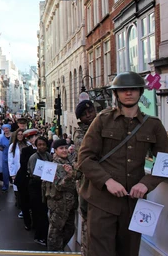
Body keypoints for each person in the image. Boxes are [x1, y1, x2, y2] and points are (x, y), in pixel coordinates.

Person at [77, 71, 168, 256]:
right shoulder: (102, 120)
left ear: (140, 92)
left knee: (129, 252)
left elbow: (165, 163)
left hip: (132, 204)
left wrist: (146, 184)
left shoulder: (153, 125)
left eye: (133, 89)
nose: (129, 93)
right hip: (101, 201)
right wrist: (107, 181)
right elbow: (85, 158)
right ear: (116, 94)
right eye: (123, 89)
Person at [44, 139, 78, 251]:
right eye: (61, 148)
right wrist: (68, 176)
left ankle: (59, 250)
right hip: (58, 205)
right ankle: (54, 252)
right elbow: (58, 185)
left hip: (70, 204)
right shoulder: (52, 165)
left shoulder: (69, 162)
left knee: (69, 229)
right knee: (55, 233)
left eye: (65, 147)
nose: (64, 150)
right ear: (55, 150)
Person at [73, 99, 97, 256]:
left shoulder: (101, 125)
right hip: (87, 180)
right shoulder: (81, 134)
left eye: (91, 111)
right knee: (88, 219)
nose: (89, 115)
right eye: (84, 114)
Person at [27, 136, 52, 246]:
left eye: (43, 144)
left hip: (45, 186)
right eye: (39, 145)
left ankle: (43, 235)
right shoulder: (34, 158)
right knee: (40, 213)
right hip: (36, 187)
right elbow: (35, 173)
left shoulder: (48, 156)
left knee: (44, 212)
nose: (42, 146)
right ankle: (39, 236)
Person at [14, 129, 39, 230]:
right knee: (25, 203)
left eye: (34, 137)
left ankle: (36, 223)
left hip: (37, 181)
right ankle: (27, 223)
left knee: (36, 204)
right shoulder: (26, 150)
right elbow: (24, 165)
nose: (33, 139)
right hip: (24, 180)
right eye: (30, 138)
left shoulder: (43, 149)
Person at [8, 128, 26, 209]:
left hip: (25, 169)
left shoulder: (27, 144)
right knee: (17, 188)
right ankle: (19, 203)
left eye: (22, 134)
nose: (20, 136)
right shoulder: (13, 146)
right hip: (16, 169)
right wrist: (12, 173)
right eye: (18, 134)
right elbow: (10, 160)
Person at [0, 124, 12, 192]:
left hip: (13, 156)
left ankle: (15, 184)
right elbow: (1, 148)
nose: (6, 130)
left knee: (14, 170)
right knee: (5, 172)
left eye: (7, 128)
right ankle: (5, 185)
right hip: (5, 156)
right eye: (4, 129)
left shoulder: (13, 137)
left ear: (9, 129)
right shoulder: (2, 138)